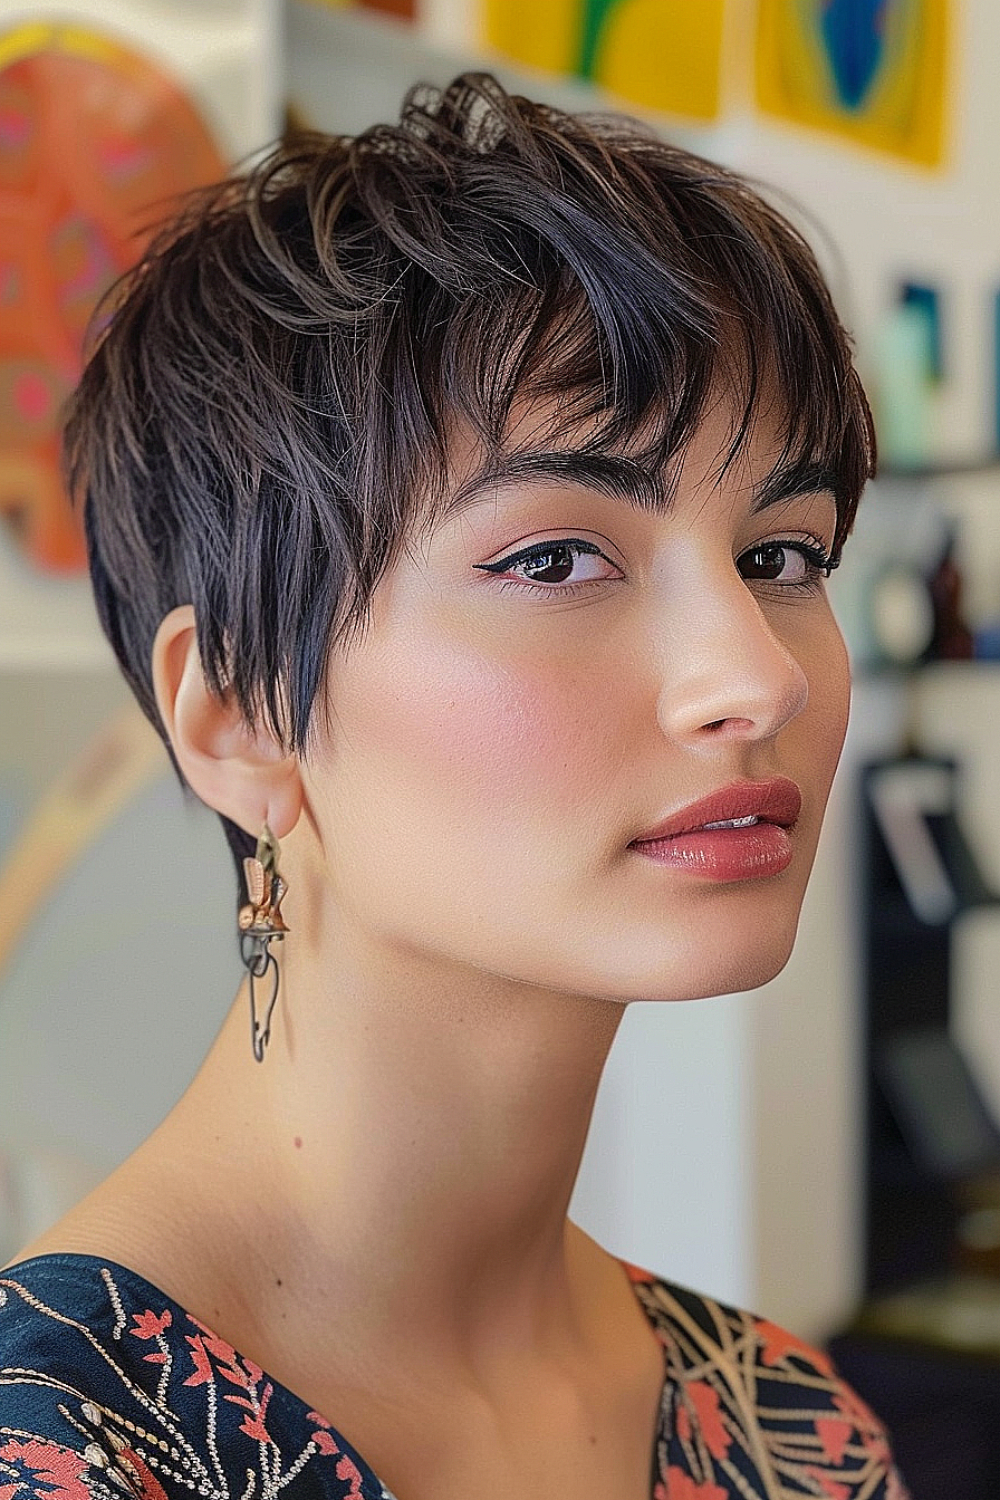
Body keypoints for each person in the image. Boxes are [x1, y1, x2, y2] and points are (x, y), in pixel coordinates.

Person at [0, 72, 907, 1500]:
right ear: (236, 711)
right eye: (554, 559)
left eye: (780, 556)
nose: (756, 677)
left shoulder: (794, 1428)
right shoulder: (58, 1453)